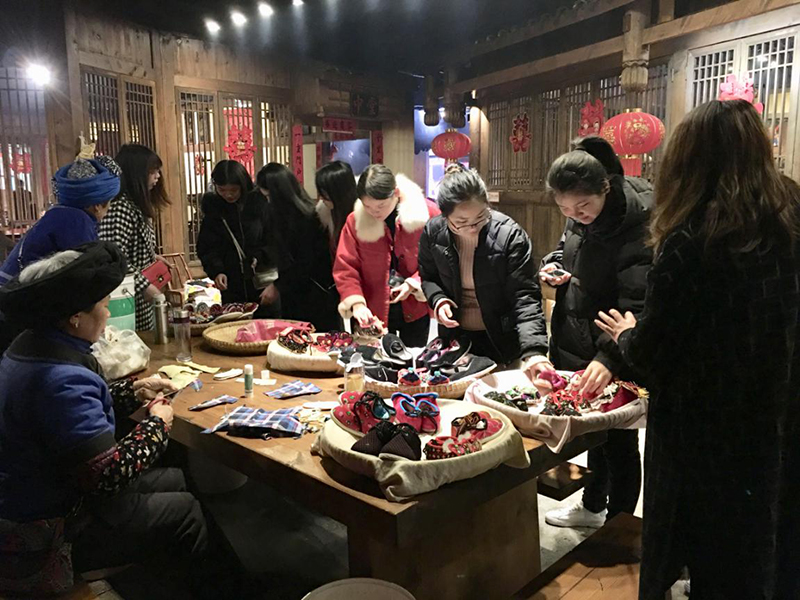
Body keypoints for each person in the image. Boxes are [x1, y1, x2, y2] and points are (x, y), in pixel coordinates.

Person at [595, 100, 800, 600]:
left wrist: (625, 334)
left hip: (706, 434)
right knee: (766, 546)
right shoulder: (790, 216)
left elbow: (652, 355)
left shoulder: (692, 236)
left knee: (706, 552)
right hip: (779, 416)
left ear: (687, 162)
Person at [0, 242, 233, 599]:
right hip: (46, 536)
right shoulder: (59, 380)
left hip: (54, 497)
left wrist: (133, 392)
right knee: (186, 512)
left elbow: (76, 418)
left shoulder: (29, 348)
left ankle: (209, 581)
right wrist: (158, 424)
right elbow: (108, 475)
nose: (108, 314)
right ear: (75, 316)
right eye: (104, 306)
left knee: (177, 478)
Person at [540, 136, 652, 529]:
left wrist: (609, 358)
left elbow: (637, 303)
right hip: (578, 336)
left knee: (619, 441)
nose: (574, 215)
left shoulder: (637, 225)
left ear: (605, 187)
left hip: (616, 347)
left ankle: (619, 527)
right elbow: (569, 249)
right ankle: (591, 506)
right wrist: (554, 264)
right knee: (594, 435)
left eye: (582, 206)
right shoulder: (580, 214)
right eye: (565, 209)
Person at [418, 165, 550, 371]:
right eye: (461, 222)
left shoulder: (510, 236)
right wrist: (439, 299)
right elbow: (428, 276)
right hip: (455, 339)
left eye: (480, 217)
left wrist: (534, 351)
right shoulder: (433, 232)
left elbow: (524, 296)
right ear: (445, 216)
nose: (473, 228)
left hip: (500, 339)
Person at [0, 154, 121, 353]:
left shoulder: (60, 213)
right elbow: (86, 278)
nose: (107, 211)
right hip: (15, 309)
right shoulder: (77, 221)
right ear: (97, 205)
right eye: (108, 204)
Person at [334, 164, 439, 346]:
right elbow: (345, 267)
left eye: (381, 205)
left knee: (413, 358)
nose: (374, 212)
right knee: (371, 359)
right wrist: (356, 303)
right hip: (370, 309)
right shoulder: (355, 221)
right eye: (367, 206)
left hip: (414, 305)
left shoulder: (426, 213)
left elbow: (437, 260)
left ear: (396, 193)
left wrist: (413, 284)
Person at [257, 162, 340, 330]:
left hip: (314, 296)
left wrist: (278, 286)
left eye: (269, 196)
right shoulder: (283, 215)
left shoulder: (307, 217)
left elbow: (305, 262)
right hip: (295, 293)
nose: (268, 201)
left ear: (280, 193)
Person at [98, 143, 170, 331]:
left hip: (140, 301)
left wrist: (153, 257)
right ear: (135, 174)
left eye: (158, 171)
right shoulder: (119, 208)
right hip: (126, 301)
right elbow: (114, 258)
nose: (158, 176)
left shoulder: (135, 205)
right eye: (152, 172)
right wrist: (145, 286)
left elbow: (130, 248)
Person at [196, 160, 278, 317]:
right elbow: (207, 247)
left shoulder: (260, 204)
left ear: (243, 184)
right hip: (231, 286)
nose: (228, 195)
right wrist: (217, 271)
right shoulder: (214, 210)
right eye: (222, 190)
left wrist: (259, 256)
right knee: (234, 328)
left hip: (263, 284)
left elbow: (274, 240)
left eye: (233, 190)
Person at [315, 160, 358, 255]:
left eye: (324, 193)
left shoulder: (363, 216)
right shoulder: (325, 214)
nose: (321, 198)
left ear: (338, 192)